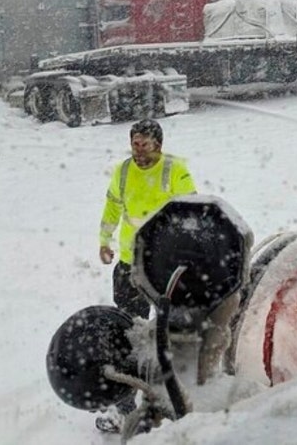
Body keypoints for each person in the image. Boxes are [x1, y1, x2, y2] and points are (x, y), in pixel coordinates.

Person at [95, 118, 198, 433]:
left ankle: (176, 399)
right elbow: (113, 206)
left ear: (159, 145)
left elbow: (191, 211)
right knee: (128, 335)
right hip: (130, 263)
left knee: (172, 332)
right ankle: (123, 408)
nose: (138, 150)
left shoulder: (174, 170)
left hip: (165, 267)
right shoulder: (123, 171)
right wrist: (104, 240)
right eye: (134, 143)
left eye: (144, 143)